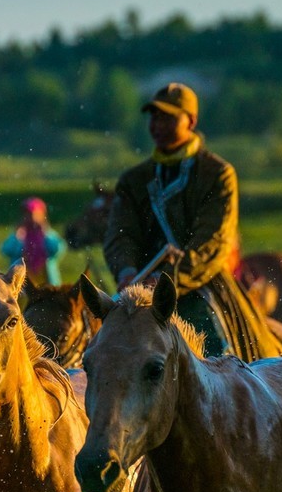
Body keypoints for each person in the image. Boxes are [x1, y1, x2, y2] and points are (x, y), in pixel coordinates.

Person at [102, 82, 241, 357]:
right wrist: (126, 270)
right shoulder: (133, 180)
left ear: (191, 120)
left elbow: (212, 241)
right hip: (139, 287)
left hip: (199, 285)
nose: (158, 124)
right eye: (154, 117)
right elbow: (120, 234)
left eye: (168, 117)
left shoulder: (218, 174)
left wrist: (167, 280)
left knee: (217, 357)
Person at [1, 196, 65, 286]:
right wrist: (18, 236)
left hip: (47, 280)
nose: (29, 217)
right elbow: (6, 250)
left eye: (32, 213)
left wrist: (46, 232)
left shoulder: (47, 234)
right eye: (26, 214)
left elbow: (56, 250)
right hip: (23, 282)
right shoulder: (21, 234)